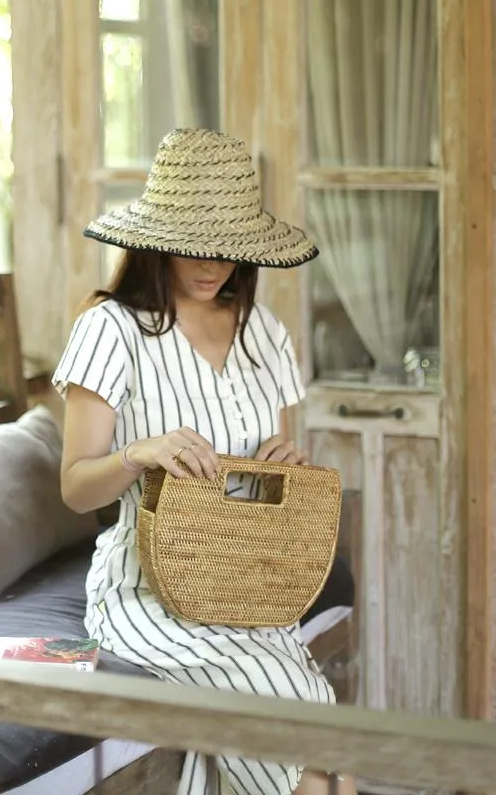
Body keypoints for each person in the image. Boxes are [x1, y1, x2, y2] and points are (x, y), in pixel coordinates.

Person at [52, 128, 356, 795]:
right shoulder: (111, 331)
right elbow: (76, 488)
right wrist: (138, 453)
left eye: (225, 245)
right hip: (148, 587)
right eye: (191, 242)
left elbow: (260, 490)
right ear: (154, 238)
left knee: (314, 729)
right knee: (296, 734)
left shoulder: (261, 333)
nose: (209, 261)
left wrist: (282, 468)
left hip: (245, 581)